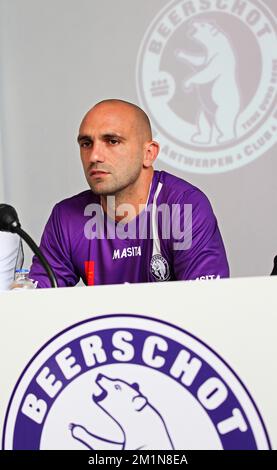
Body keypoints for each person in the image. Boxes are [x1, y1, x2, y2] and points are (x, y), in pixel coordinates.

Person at [30, 99, 229, 287]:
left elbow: (207, 305)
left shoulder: (184, 206)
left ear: (149, 154)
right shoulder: (66, 217)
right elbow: (37, 305)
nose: (94, 156)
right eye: (86, 143)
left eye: (112, 141)